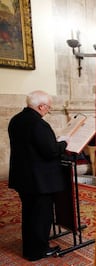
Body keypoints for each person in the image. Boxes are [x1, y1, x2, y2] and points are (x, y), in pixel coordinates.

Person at [8, 90, 68, 261]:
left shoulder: (16, 120)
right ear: (41, 106)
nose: (48, 110)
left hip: (23, 178)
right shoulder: (38, 124)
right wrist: (64, 143)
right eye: (48, 107)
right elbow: (50, 151)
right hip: (39, 181)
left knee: (29, 214)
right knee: (41, 216)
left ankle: (30, 248)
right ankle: (38, 251)